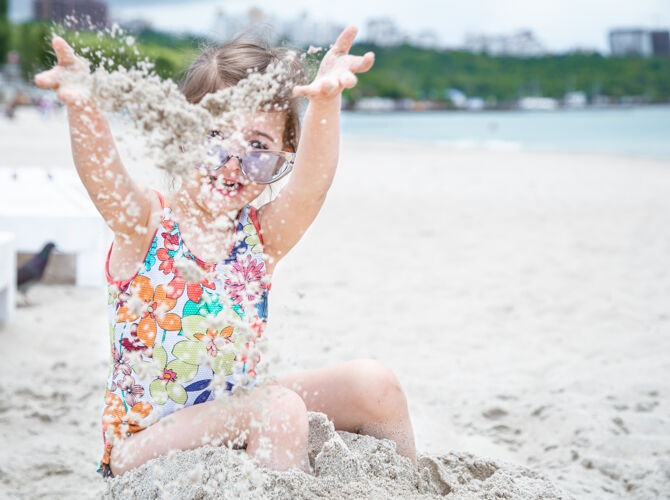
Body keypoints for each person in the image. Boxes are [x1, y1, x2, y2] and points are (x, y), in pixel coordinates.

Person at [35, 25, 416, 478]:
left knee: (376, 386)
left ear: (280, 159)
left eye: (258, 147)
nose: (233, 163)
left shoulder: (261, 238)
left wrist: (325, 102)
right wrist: (82, 107)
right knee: (276, 409)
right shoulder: (147, 226)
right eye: (215, 136)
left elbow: (313, 185)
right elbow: (103, 177)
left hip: (237, 411)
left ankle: (407, 487)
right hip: (144, 446)